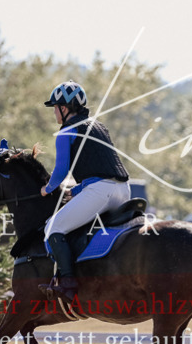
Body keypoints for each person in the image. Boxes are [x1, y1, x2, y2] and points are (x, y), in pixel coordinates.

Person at [38, 81, 131, 302]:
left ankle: (68, 284)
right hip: (124, 191)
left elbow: (60, 172)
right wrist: (77, 189)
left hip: (100, 193)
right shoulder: (99, 126)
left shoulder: (66, 132)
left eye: (56, 107)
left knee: (53, 228)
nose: (54, 112)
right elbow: (102, 169)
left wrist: (47, 189)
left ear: (65, 108)